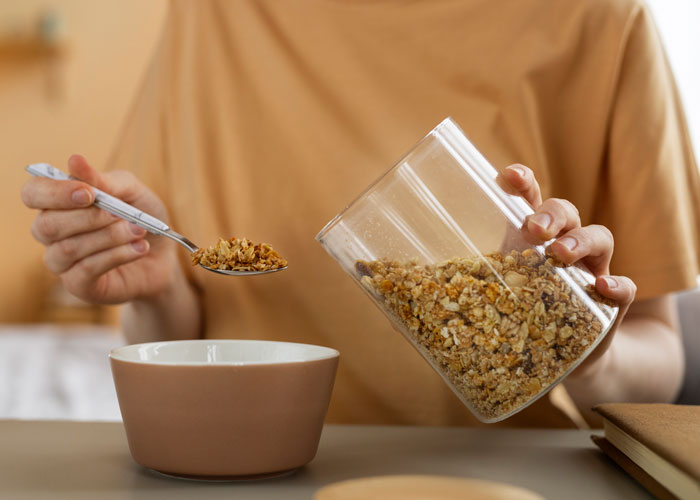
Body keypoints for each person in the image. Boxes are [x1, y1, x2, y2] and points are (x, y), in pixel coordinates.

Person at [21, 0, 700, 427]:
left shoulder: (603, 21)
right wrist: (159, 284)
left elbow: (660, 356)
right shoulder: (216, 14)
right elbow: (184, 322)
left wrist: (585, 354)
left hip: (506, 478)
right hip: (257, 467)